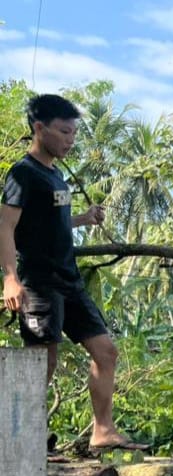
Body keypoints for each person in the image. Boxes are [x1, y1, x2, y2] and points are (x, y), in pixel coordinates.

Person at [0, 93, 145, 453]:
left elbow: (53, 221)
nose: (70, 140)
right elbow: (5, 225)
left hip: (69, 280)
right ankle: (24, 438)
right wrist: (10, 278)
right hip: (39, 282)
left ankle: (103, 430)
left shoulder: (56, 176)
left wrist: (82, 218)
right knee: (42, 363)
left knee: (106, 352)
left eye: (73, 133)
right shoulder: (22, 173)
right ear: (39, 128)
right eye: (64, 132)